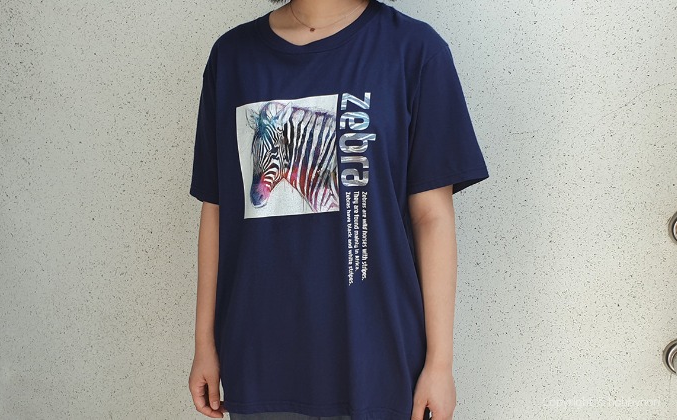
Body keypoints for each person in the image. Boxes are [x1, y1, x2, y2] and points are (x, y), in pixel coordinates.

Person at [187, 0, 490, 419]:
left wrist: (439, 365)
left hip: (378, 365)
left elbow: (432, 219)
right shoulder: (233, 57)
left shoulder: (415, 50)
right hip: (259, 361)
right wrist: (204, 343)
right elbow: (217, 210)